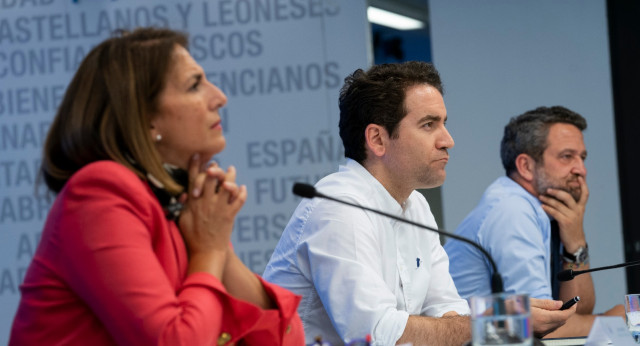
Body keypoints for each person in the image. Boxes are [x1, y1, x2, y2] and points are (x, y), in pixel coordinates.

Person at [9, 28, 303, 345]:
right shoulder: (100, 192)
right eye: (194, 86)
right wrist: (209, 251)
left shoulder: (179, 201)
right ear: (146, 119)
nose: (219, 97)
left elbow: (284, 339)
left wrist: (215, 246)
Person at [264, 62, 573, 345]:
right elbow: (378, 335)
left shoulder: (416, 205)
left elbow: (446, 309)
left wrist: (507, 319)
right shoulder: (339, 209)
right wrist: (503, 319)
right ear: (378, 140)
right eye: (428, 124)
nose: (447, 140)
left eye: (444, 123)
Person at [445, 106, 625, 337]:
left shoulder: (545, 211)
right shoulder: (512, 210)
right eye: (567, 156)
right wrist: (612, 321)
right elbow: (539, 326)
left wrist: (576, 241)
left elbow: (575, 309)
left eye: (582, 158)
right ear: (526, 166)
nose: (581, 170)